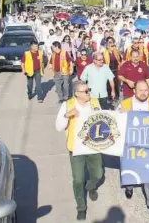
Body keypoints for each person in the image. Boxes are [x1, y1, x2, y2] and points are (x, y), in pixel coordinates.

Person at [55, 81, 103, 221]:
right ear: (77, 94)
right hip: (76, 148)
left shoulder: (94, 102)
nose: (89, 93)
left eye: (89, 90)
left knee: (98, 174)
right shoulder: (67, 105)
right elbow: (58, 127)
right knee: (78, 180)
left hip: (93, 146)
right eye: (86, 91)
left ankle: (91, 186)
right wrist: (67, 115)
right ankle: (81, 208)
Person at [119, 80, 149, 214]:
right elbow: (116, 123)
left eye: (146, 90)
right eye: (140, 90)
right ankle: (129, 186)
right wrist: (121, 114)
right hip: (130, 144)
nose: (143, 93)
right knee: (130, 168)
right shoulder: (125, 104)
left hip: (148, 144)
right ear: (134, 91)